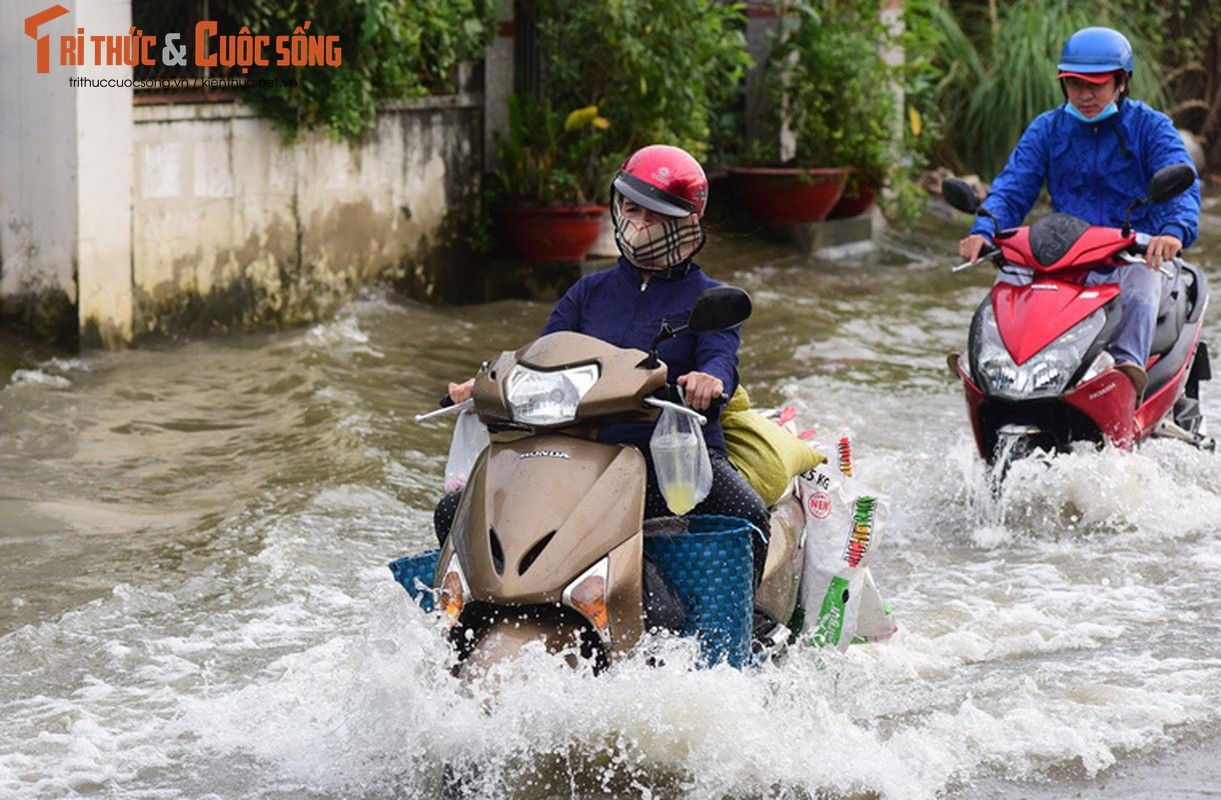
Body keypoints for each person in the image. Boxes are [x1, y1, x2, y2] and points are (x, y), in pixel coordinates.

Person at [440, 144, 772, 583]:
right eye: (632, 210)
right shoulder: (587, 293)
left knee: (747, 515)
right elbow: (541, 357)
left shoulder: (707, 298)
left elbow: (719, 355)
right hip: (579, 458)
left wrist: (708, 380)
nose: (639, 225)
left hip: (671, 463)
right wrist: (484, 386)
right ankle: (458, 613)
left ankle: (746, 632)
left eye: (654, 216)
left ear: (688, 223)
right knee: (454, 512)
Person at [957, 26, 1201, 400]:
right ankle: (994, 370)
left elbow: (1181, 180)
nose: (1084, 95)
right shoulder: (1048, 129)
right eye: (1074, 84)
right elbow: (1012, 186)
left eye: (1096, 85)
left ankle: (1124, 375)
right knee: (1009, 281)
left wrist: (1173, 231)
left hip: (1134, 252)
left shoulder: (1151, 127)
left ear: (1121, 82)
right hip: (1065, 255)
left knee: (1139, 287)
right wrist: (984, 229)